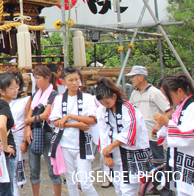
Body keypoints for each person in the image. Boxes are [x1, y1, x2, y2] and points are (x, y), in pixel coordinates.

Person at [96, 77, 152, 196]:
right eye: (102, 103)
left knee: (128, 189)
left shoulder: (129, 109)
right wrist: (107, 155)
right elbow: (103, 133)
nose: (105, 105)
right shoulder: (101, 111)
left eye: (107, 102)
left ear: (114, 97)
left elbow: (130, 132)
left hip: (130, 155)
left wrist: (110, 146)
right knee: (118, 188)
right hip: (114, 154)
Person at [48, 67, 98, 196]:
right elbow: (56, 122)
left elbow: (91, 120)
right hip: (65, 144)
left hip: (83, 144)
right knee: (71, 181)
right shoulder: (59, 99)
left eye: (77, 79)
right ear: (63, 81)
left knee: (85, 184)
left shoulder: (88, 98)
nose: (74, 83)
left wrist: (69, 117)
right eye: (71, 80)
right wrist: (77, 125)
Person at [154, 73, 194, 196]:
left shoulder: (193, 108)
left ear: (179, 91)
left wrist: (167, 123)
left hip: (190, 161)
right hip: (181, 162)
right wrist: (166, 125)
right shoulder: (179, 109)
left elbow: (192, 135)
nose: (166, 99)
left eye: (167, 95)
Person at [23, 66, 61, 196]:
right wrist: (27, 129)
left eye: (38, 78)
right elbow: (28, 115)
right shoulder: (35, 95)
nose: (36, 81)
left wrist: (28, 122)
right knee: (33, 168)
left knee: (52, 168)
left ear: (47, 78)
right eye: (35, 78)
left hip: (47, 132)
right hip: (34, 132)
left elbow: (45, 115)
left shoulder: (54, 94)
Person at [126, 65, 170, 161]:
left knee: (157, 166)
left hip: (152, 137)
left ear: (141, 77)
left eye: (133, 76)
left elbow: (169, 111)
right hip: (139, 138)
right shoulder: (134, 94)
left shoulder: (155, 92)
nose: (131, 79)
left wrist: (159, 125)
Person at [8, 69, 31, 196]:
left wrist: (24, 142)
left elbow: (27, 121)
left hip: (19, 136)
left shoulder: (26, 99)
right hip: (5, 137)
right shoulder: (3, 99)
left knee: (15, 170)